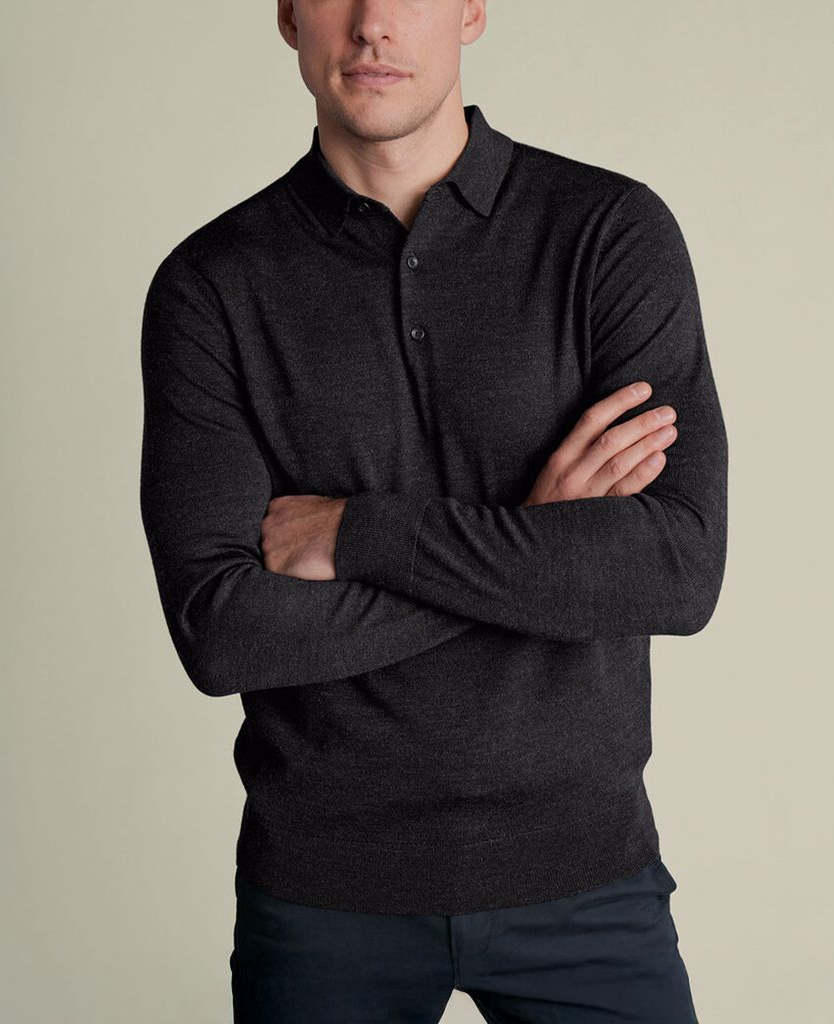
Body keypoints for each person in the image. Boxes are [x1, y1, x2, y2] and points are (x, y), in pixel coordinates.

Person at [138, 1, 728, 1020]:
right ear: (288, 14)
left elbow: (675, 570)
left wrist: (360, 535)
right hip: (322, 897)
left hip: (587, 879)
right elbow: (224, 634)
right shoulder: (213, 286)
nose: (372, 23)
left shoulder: (607, 231)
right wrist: (539, 533)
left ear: (470, 9)